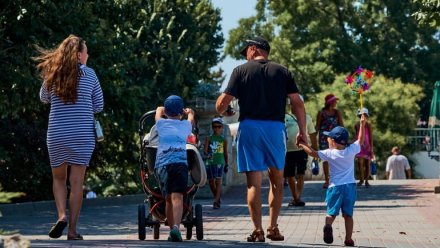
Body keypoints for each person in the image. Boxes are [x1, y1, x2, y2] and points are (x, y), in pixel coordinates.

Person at [215, 36, 307, 242]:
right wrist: (302, 131)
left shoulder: (240, 71)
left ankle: (257, 231)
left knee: (253, 184)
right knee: (277, 181)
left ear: (254, 49)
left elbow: (222, 104)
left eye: (246, 50)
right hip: (275, 128)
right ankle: (273, 227)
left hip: (249, 129)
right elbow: (297, 103)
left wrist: (223, 108)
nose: (245, 55)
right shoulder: (283, 71)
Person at [35, 35, 104, 240]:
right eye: (86, 51)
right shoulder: (90, 74)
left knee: (58, 178)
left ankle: (62, 216)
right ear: (79, 54)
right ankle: (72, 231)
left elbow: (43, 98)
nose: (88, 54)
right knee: (76, 183)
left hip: (57, 133)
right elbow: (99, 105)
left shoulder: (54, 73)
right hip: (82, 134)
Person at [299, 113, 367, 247]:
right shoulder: (351, 150)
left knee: (331, 212)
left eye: (329, 138)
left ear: (333, 141)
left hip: (335, 187)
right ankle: (348, 239)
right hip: (350, 187)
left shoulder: (330, 153)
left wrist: (302, 144)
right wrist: (362, 124)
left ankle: (328, 225)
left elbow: (313, 153)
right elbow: (360, 140)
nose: (327, 140)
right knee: (348, 214)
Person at [154, 95, 194, 242]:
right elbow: (191, 119)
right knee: (178, 197)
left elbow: (158, 111)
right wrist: (190, 113)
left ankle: (172, 230)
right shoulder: (185, 125)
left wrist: (162, 109)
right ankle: (176, 228)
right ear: (181, 112)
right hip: (179, 165)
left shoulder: (161, 124)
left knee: (168, 199)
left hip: (162, 166)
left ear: (167, 111)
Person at [284, 97, 318, 207]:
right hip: (288, 151)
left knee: (301, 174)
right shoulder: (285, 117)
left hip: (302, 149)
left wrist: (315, 150)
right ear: (290, 105)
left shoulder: (307, 118)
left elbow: (312, 134)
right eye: (293, 104)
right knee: (289, 175)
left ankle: (297, 197)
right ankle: (295, 197)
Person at [316, 94, 344, 189]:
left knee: (337, 157)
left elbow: (341, 126)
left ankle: (337, 179)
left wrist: (344, 138)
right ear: (330, 102)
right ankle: (327, 181)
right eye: (335, 101)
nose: (336, 103)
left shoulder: (337, 113)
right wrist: (313, 140)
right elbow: (317, 127)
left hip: (336, 139)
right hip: (324, 138)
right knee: (326, 159)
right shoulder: (321, 113)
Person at [204, 117, 228, 209]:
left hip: (220, 162)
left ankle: (215, 202)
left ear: (222, 127)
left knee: (218, 182)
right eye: (214, 126)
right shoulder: (208, 138)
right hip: (210, 162)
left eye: (219, 126)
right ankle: (217, 198)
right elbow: (205, 151)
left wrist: (227, 164)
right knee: (211, 181)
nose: (216, 128)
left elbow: (225, 153)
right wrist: (207, 153)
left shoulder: (223, 139)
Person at [354, 108, 375, 188]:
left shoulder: (368, 125)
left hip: (367, 147)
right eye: (361, 115)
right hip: (360, 146)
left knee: (367, 164)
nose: (363, 117)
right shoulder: (356, 125)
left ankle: (366, 180)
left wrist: (372, 149)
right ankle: (361, 179)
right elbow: (357, 136)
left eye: (365, 115)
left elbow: (371, 137)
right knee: (360, 163)